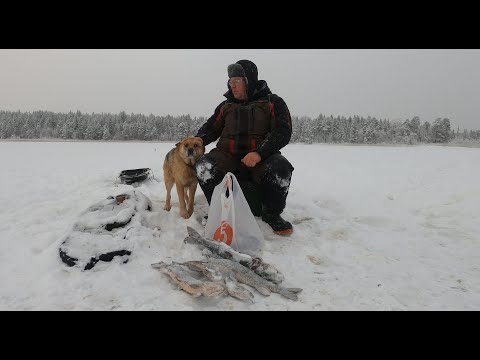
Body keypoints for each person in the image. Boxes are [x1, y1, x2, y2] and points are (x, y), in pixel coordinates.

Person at [194, 59, 294, 235]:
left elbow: (282, 132)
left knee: (281, 168)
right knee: (204, 166)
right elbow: (210, 128)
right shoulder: (225, 106)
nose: (232, 86)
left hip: (261, 158)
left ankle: (271, 214)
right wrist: (197, 141)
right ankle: (220, 212)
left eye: (237, 81)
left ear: (249, 81)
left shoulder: (273, 102)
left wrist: (259, 153)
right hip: (228, 155)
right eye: (230, 82)